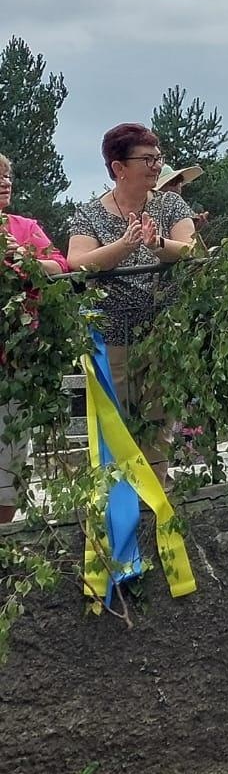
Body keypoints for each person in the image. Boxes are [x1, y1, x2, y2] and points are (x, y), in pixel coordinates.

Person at [66, 125, 199, 477]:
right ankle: (121, 506)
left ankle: (156, 499)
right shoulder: (88, 213)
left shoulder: (171, 203)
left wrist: (158, 246)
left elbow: (190, 248)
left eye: (158, 158)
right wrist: (124, 245)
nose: (156, 166)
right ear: (118, 167)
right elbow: (77, 262)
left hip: (162, 333)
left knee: (158, 424)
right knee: (119, 425)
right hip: (113, 336)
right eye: (147, 159)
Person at [0, 152, 70, 523]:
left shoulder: (25, 227)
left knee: (11, 456)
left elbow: (61, 265)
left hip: (18, 359)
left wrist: (26, 257)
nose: (5, 182)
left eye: (8, 175)